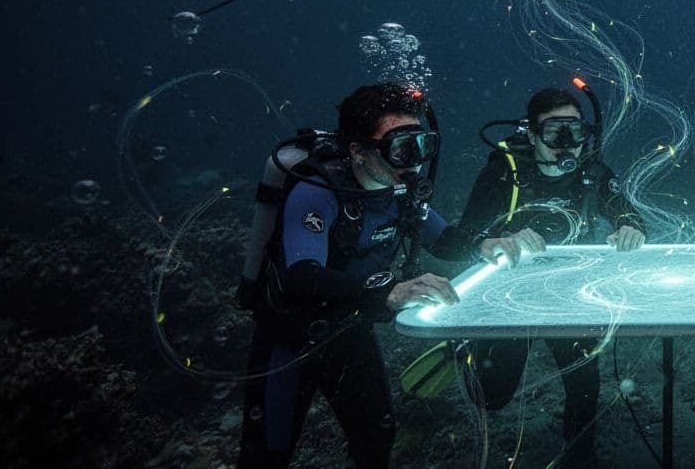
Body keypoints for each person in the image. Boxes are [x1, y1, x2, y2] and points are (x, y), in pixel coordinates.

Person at [239, 82, 460, 469]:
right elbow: (302, 275)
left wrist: (492, 241)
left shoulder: (401, 192)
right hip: (290, 340)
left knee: (377, 439)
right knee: (267, 454)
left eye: (422, 146)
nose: (414, 161)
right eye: (400, 147)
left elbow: (446, 242)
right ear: (357, 150)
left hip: (349, 333)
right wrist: (387, 291)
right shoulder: (318, 190)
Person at [454, 86, 645, 467]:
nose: (566, 145)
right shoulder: (503, 171)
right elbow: (462, 238)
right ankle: (461, 352)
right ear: (531, 134)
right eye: (553, 133)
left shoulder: (593, 170)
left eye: (574, 133)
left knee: (584, 382)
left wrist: (629, 227)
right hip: (511, 293)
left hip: (570, 290)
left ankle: (580, 457)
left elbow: (631, 214)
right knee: (492, 396)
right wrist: (500, 239)